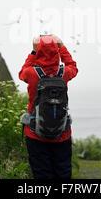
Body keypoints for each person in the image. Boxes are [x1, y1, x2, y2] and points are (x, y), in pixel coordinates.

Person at [19, 34, 78, 179]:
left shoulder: (32, 73)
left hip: (35, 133)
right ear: (56, 52)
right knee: (63, 172)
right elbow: (73, 67)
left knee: (42, 174)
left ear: (38, 51)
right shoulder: (64, 73)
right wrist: (62, 46)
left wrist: (33, 51)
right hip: (62, 133)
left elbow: (22, 73)